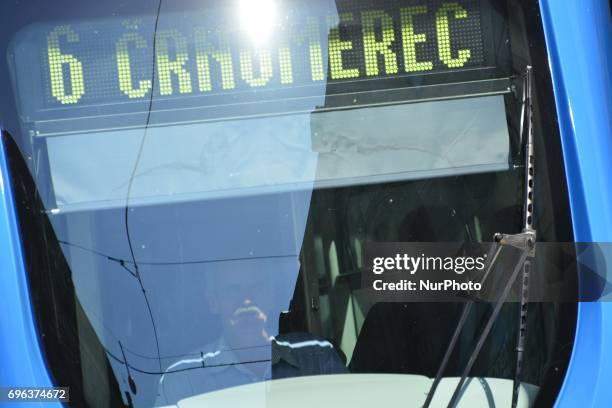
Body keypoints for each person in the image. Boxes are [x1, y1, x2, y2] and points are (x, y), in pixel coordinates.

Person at [155, 258, 347, 405]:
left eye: (256, 288)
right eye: (233, 290)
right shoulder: (183, 380)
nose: (246, 300)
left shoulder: (316, 355)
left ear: (272, 296)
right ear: (213, 301)